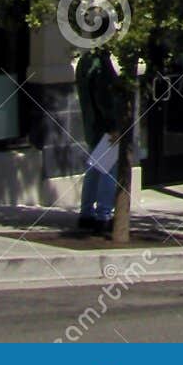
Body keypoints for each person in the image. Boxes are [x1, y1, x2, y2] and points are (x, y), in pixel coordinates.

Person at [74, 48, 119, 236]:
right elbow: (105, 98)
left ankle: (86, 212)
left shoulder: (84, 62)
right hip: (104, 125)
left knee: (94, 168)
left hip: (92, 124)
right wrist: (113, 125)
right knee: (108, 170)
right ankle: (104, 215)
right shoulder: (100, 64)